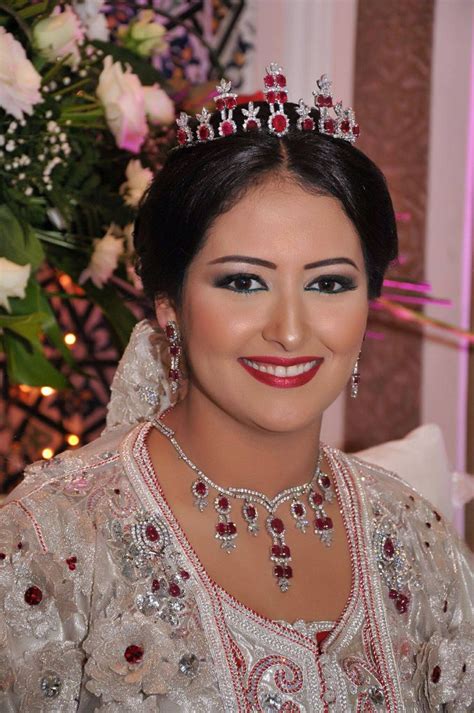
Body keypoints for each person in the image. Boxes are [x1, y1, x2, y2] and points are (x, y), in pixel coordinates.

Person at [0, 65, 472, 712]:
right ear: (168, 303)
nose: (289, 329)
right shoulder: (53, 540)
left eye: (329, 283)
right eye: (244, 282)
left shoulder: (421, 545)